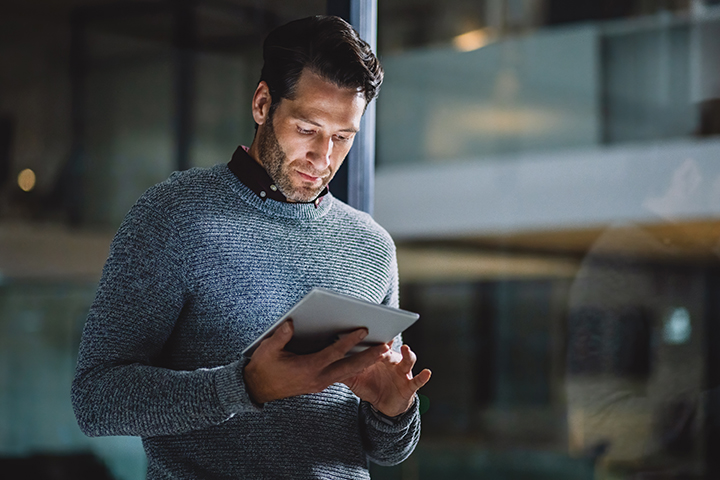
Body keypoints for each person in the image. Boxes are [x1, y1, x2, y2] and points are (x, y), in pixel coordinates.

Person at [71, 15, 431, 480]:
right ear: (263, 104)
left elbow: (385, 450)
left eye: (343, 138)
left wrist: (394, 412)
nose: (323, 159)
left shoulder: (371, 246)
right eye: (307, 129)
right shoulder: (175, 215)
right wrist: (243, 387)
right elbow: (97, 400)